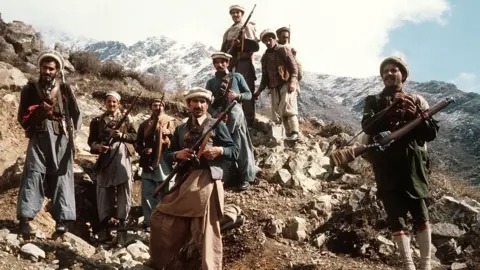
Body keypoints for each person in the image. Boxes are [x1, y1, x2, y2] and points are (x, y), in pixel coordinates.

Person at [147, 87, 238, 270]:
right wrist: (177, 155)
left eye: (202, 102)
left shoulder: (217, 124)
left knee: (204, 227)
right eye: (194, 101)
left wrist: (219, 150)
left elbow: (234, 151)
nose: (198, 105)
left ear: (207, 105)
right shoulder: (181, 129)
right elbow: (167, 154)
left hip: (207, 179)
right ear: (188, 105)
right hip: (183, 180)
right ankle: (161, 261)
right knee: (159, 216)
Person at [361, 56, 438, 270]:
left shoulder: (417, 100)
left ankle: (426, 265)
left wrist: (417, 115)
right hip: (385, 165)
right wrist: (388, 112)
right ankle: (408, 265)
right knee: (396, 219)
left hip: (413, 163)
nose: (388, 74)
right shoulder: (373, 101)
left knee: (421, 216)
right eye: (385, 71)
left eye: (394, 70)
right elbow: (367, 126)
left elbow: (431, 133)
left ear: (402, 75)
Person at [17, 50, 81, 235]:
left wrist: (72, 137)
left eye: (51, 69)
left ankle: (62, 221)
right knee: (33, 174)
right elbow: (22, 116)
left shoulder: (66, 89)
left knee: (62, 176)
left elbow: (76, 115)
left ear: (57, 70)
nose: (47, 71)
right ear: (40, 68)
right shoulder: (29, 89)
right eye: (44, 68)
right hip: (39, 137)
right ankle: (25, 219)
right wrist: (38, 112)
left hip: (61, 138)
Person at [88, 91, 137, 241]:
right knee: (103, 190)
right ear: (105, 103)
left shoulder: (126, 119)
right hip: (105, 158)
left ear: (119, 104)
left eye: (114, 102)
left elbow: (135, 137)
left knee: (124, 189)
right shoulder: (97, 121)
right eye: (109, 101)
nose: (112, 104)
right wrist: (98, 148)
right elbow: (91, 142)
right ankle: (104, 225)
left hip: (122, 158)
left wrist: (121, 136)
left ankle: (122, 224)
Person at [205, 52, 255, 190]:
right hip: (219, 119)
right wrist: (215, 113)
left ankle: (247, 178)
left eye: (222, 62)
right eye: (216, 62)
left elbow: (248, 94)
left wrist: (237, 96)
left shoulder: (237, 77)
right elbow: (206, 103)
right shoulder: (211, 82)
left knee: (241, 146)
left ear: (227, 63)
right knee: (223, 148)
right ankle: (226, 178)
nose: (219, 65)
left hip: (236, 117)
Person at [135, 97, 176, 232]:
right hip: (149, 162)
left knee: (166, 192)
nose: (158, 107)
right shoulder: (144, 124)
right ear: (150, 107)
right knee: (148, 193)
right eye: (154, 105)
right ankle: (150, 222)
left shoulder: (170, 122)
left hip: (164, 161)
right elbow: (138, 143)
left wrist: (169, 134)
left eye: (160, 105)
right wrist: (143, 150)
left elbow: (178, 140)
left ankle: (167, 223)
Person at [253, 29, 300, 141]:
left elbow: (294, 68)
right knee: (278, 110)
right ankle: (287, 134)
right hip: (273, 86)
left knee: (286, 107)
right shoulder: (264, 57)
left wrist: (293, 82)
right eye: (265, 41)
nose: (268, 42)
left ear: (274, 38)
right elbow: (265, 77)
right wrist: (258, 91)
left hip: (285, 82)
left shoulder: (283, 50)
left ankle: (295, 132)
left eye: (270, 39)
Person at [221, 4, 259, 126]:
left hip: (244, 63)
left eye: (238, 12)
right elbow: (223, 50)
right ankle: (231, 119)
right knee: (230, 90)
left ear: (242, 14)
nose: (235, 15)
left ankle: (248, 122)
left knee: (245, 89)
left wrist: (241, 43)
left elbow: (254, 46)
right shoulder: (227, 31)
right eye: (233, 13)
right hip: (230, 64)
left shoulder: (248, 27)